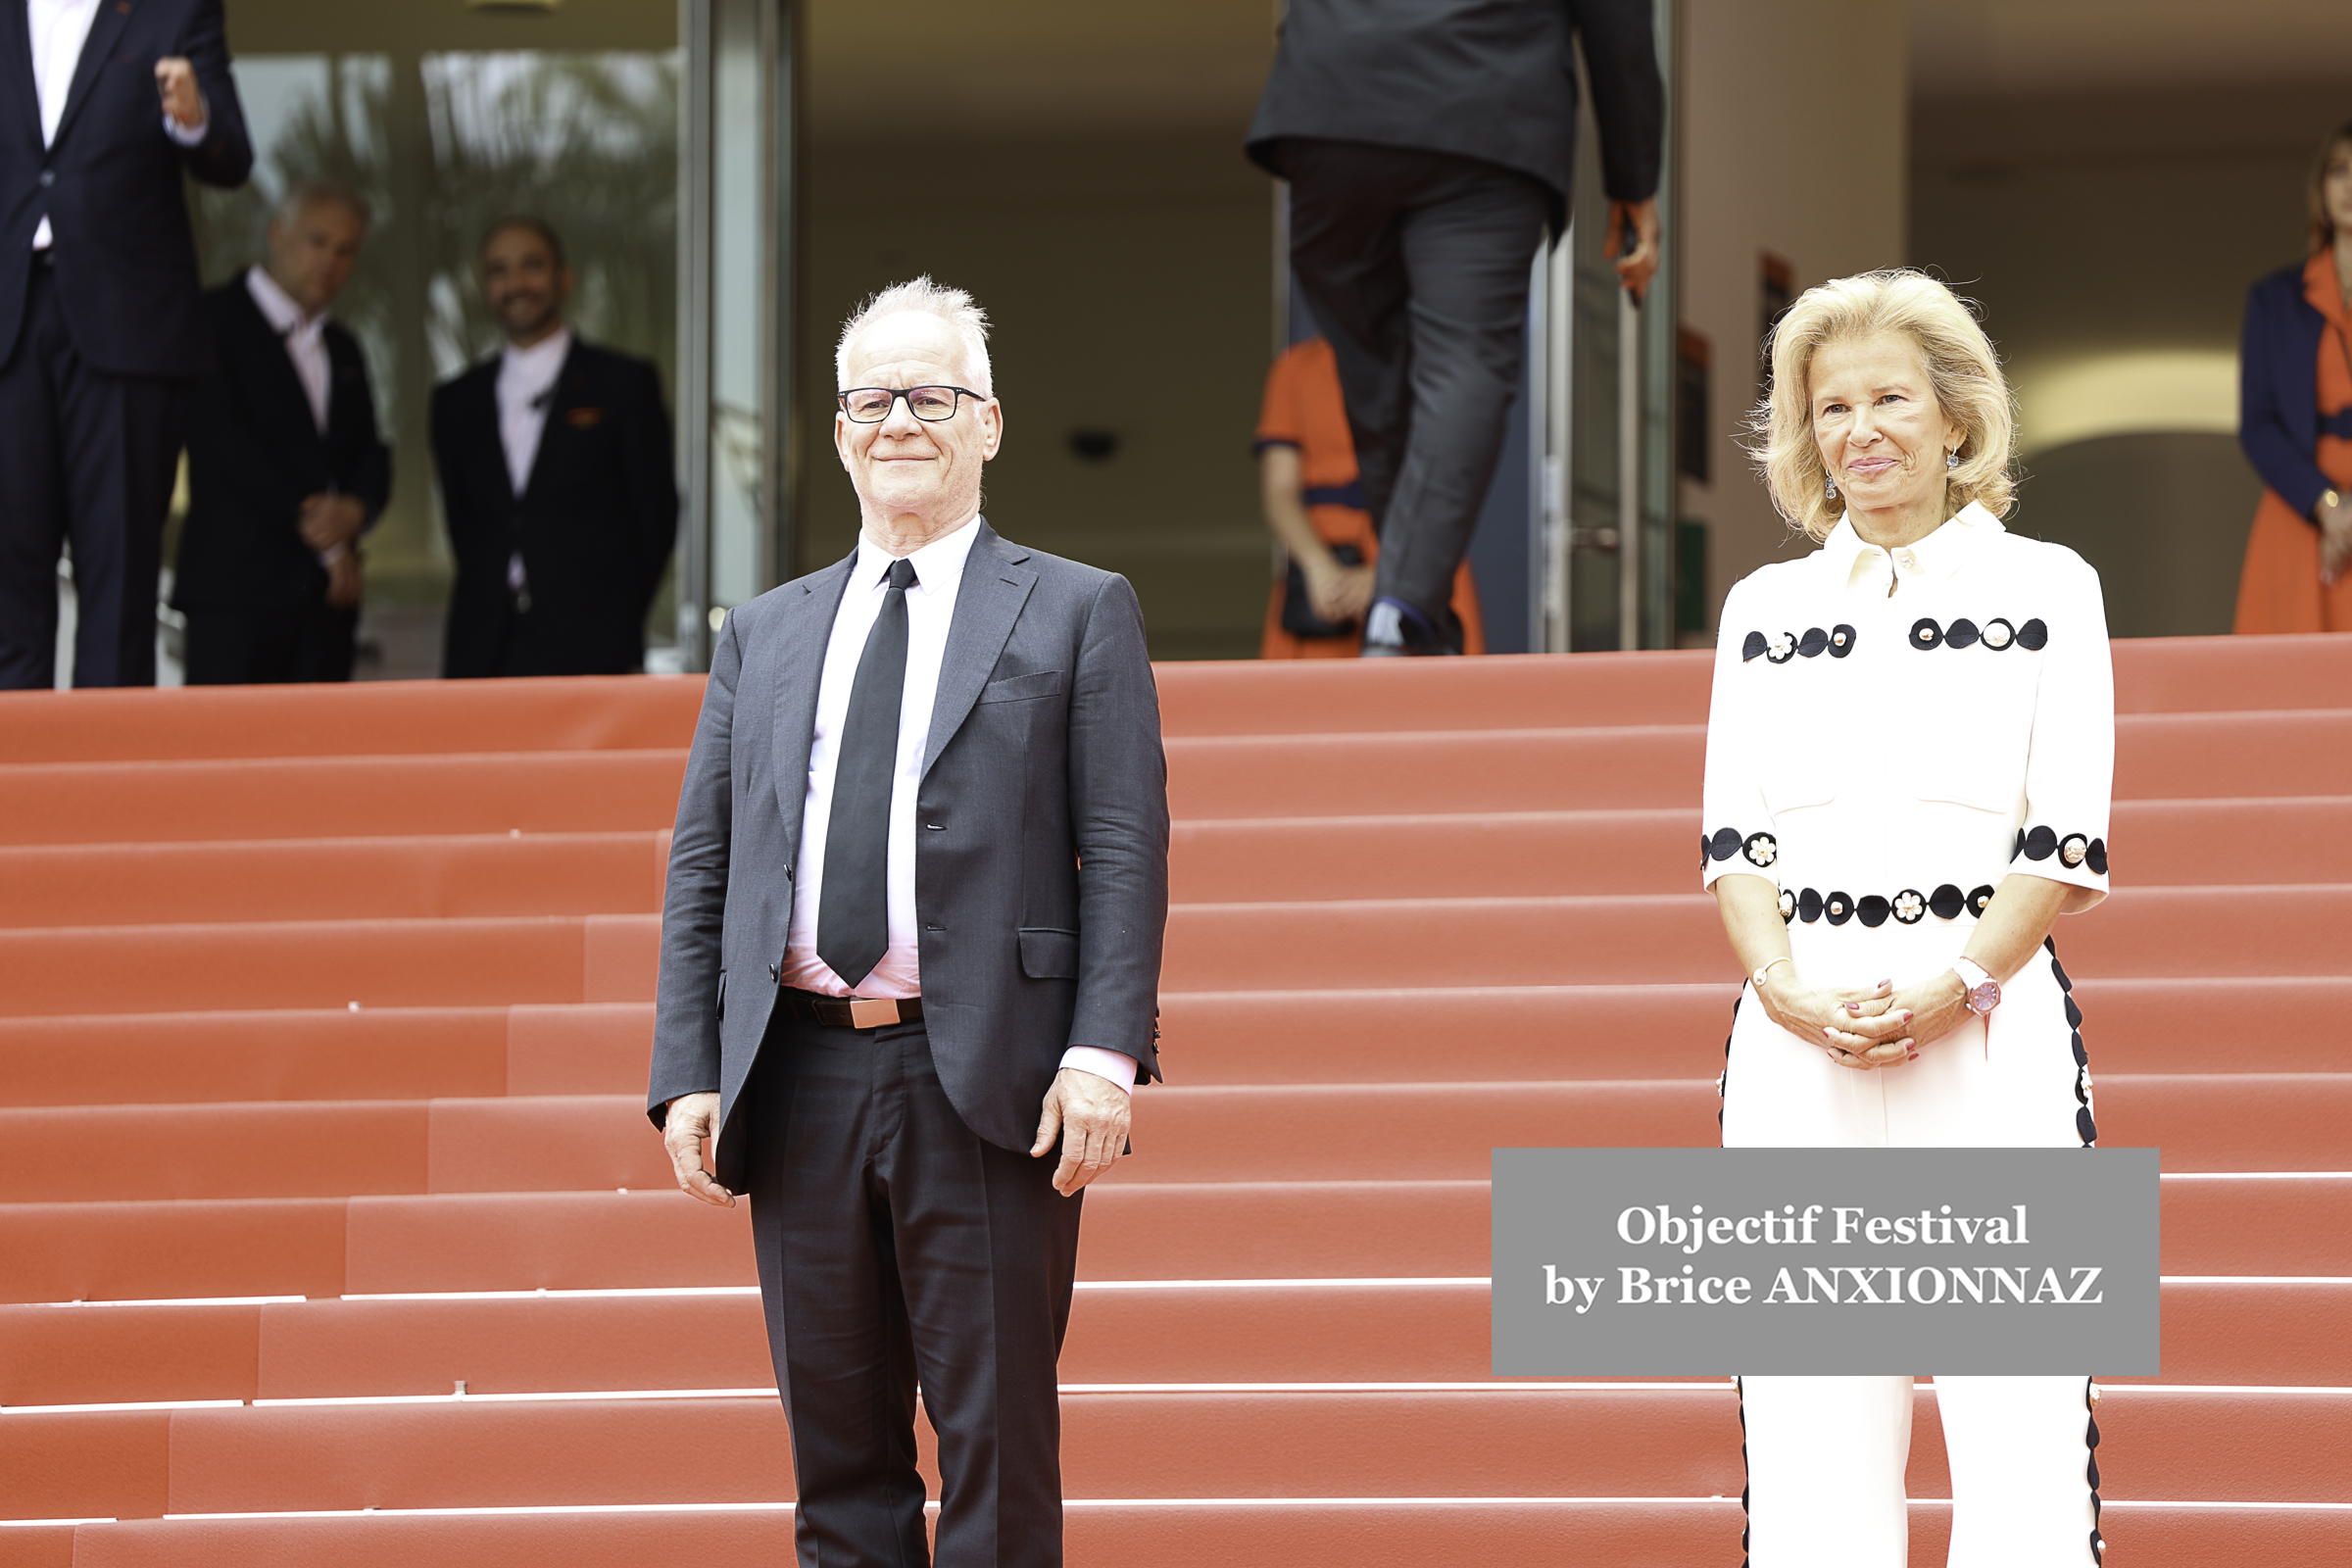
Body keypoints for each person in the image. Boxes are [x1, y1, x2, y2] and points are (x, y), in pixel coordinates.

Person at [646, 277, 1168, 1568]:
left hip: (985, 1077)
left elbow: (1127, 844)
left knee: (997, 1447)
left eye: (931, 396)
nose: (900, 422)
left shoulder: (1075, 609)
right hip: (803, 1069)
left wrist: (1104, 1054)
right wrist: (688, 1070)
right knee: (838, 1460)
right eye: (872, 399)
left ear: (989, 423)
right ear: (839, 432)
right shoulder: (763, 635)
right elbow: (706, 857)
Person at [1704, 270, 2112, 1565]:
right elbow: (1735, 841)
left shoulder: (2053, 585)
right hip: (1796, 1042)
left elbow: (2065, 835)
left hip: (1987, 1039)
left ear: (1954, 420)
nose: (1859, 429)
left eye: (1889, 398)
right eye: (1831, 406)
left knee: (2021, 1413)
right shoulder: (1762, 611)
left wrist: (1963, 983)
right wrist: (1780, 986)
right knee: (1808, 1417)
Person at [1246, 0, 1661, 656]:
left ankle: (1410, 603)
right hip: (1487, 102)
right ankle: (1404, 611)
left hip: (1331, 103)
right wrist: (1633, 179)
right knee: (1462, 359)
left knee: (1372, 365)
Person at [0, 0, 251, 688]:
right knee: (8, 584)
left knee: (117, 586)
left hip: (127, 326)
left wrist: (191, 118)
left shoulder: (173, 12)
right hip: (10, 321)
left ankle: (100, 790)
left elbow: (232, 156)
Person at [432, 217, 676, 677]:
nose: (515, 283)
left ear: (564, 278)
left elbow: (654, 515)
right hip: (482, 644)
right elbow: (463, 523)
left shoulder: (623, 384)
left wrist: (614, 614)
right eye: (499, 270)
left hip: (594, 644)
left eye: (531, 266)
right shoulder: (456, 402)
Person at [172, 180, 389, 684]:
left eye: (345, 250)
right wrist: (330, 542)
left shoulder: (344, 346)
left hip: (324, 606)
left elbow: (370, 452)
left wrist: (359, 509)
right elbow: (223, 445)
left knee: (319, 760)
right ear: (277, 233)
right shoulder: (210, 322)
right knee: (227, 754)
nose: (329, 261)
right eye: (317, 242)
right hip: (235, 595)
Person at [1256, 334, 1486, 658]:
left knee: (1431, 700)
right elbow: (1279, 493)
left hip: (1422, 550)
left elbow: (1451, 479)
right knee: (1311, 703)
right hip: (1322, 568)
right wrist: (1321, 569)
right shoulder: (1297, 367)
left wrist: (1394, 578)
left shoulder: (1434, 360)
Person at [2232, 118, 2352, 633]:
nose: (2351, 186)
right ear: (2321, 190)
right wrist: (2329, 508)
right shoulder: (2275, 300)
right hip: (2301, 507)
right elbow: (2258, 423)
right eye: (2339, 171)